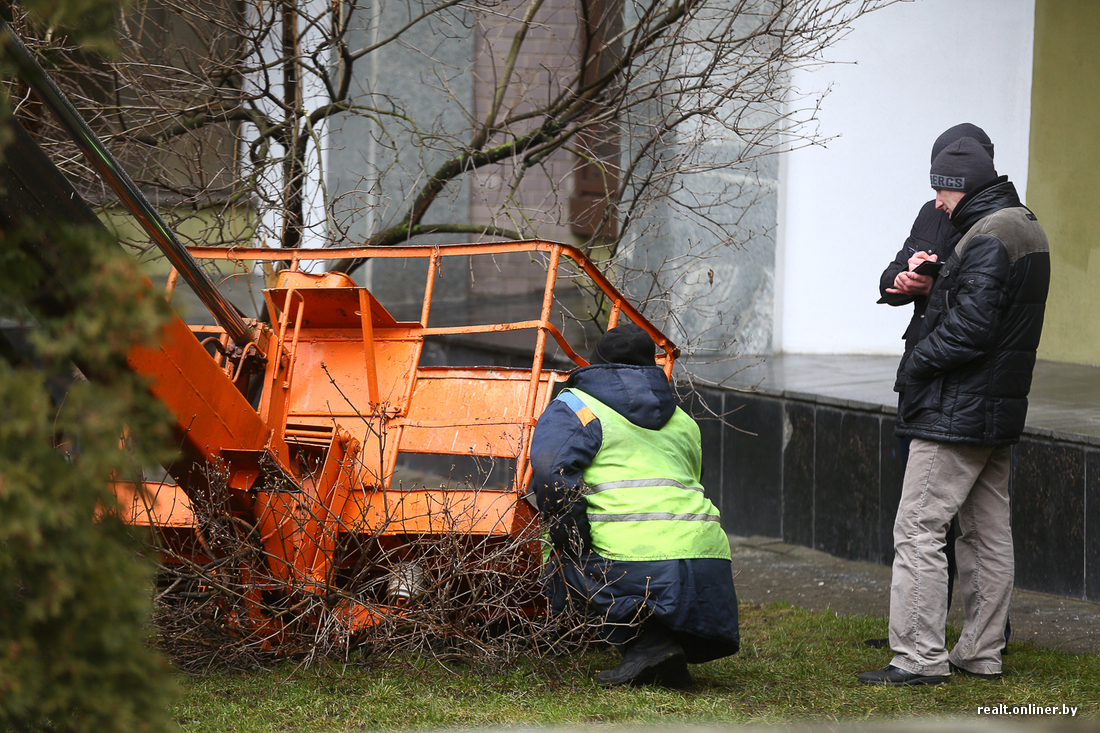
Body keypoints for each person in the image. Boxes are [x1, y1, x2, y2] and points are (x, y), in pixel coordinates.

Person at [859, 136, 1050, 686]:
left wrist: (917, 365)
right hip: (995, 408)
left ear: (958, 186)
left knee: (918, 528)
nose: (938, 204)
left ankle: (920, 658)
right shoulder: (1023, 224)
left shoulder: (988, 235)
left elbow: (971, 329)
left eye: (940, 191)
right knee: (987, 535)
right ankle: (980, 653)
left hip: (956, 409)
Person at [529, 322, 739, 687]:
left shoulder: (577, 407)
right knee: (651, 565)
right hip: (710, 561)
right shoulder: (684, 419)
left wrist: (571, 536)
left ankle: (648, 644)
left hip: (635, 559)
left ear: (594, 365)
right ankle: (665, 646)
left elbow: (551, 473)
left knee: (561, 559)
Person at [868, 124, 996, 648]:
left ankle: (977, 634)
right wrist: (903, 282)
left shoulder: (996, 222)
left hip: (957, 380)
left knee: (962, 523)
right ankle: (923, 623)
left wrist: (933, 279)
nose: (939, 200)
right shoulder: (931, 212)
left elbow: (980, 302)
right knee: (921, 512)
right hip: (922, 372)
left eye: (945, 184)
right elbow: (891, 273)